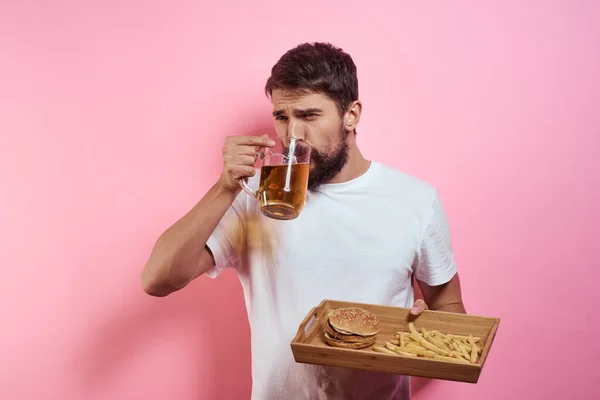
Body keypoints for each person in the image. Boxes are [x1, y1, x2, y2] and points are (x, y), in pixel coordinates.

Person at [141, 42, 467, 400]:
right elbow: (158, 278)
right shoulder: (256, 195)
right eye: (282, 116)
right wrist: (224, 186)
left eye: (309, 115)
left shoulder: (415, 200)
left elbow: (448, 305)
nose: (292, 134)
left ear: (352, 115)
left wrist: (426, 328)